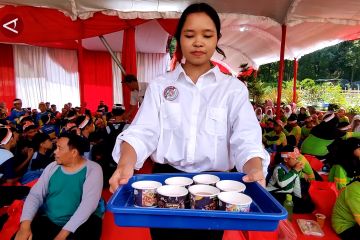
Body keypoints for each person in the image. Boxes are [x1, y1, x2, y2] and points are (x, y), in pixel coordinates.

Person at [109, 3, 269, 240]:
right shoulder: (161, 85)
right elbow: (143, 132)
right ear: (178, 39)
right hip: (165, 181)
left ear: (217, 39)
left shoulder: (232, 89)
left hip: (215, 186)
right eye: (189, 34)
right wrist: (125, 163)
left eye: (207, 35)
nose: (198, 42)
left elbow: (245, 137)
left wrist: (254, 168)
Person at [15, 133, 103, 240]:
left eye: (59, 148)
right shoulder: (52, 167)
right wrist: (25, 226)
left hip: (82, 223)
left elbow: (88, 205)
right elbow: (35, 195)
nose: (55, 152)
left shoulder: (93, 169)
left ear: (74, 152)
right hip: (51, 219)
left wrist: (61, 236)